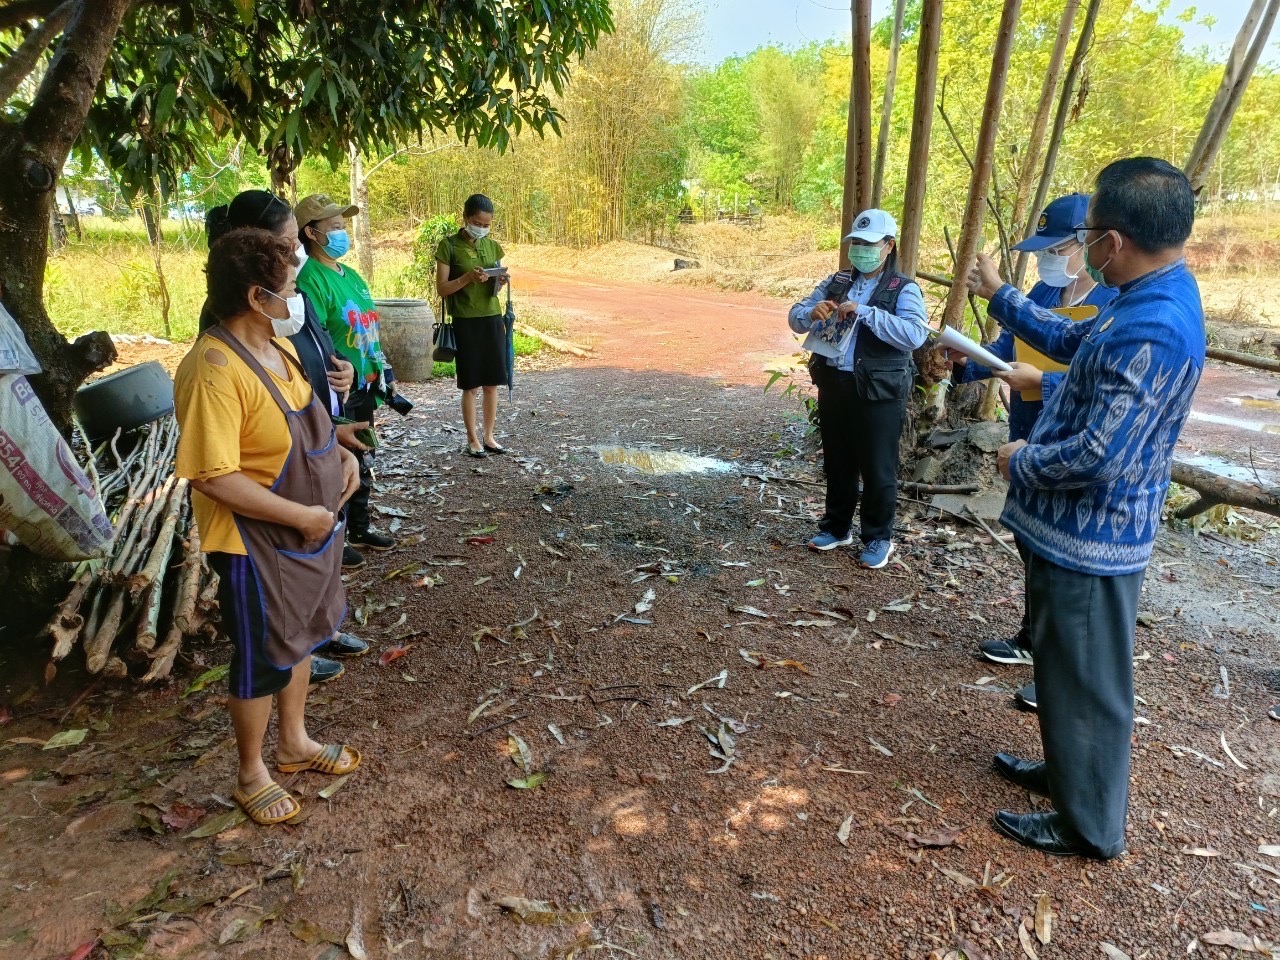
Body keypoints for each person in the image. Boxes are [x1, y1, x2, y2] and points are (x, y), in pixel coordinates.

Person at [967, 157, 1204, 859]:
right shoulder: (1141, 295)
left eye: (1090, 233)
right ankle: (1068, 775)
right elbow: (1076, 347)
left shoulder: (1155, 325)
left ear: (1115, 241)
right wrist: (1004, 297)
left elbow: (1101, 454)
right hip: (1074, 532)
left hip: (1095, 538)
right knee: (1066, 670)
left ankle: (1089, 825)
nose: (1086, 246)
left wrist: (1020, 460)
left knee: (1090, 682)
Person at [174, 228, 364, 825]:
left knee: (301, 635)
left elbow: (305, 425)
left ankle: (295, 742)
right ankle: (251, 772)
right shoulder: (214, 368)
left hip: (306, 534)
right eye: (289, 289)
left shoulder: (277, 349)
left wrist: (343, 454)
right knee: (262, 656)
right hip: (253, 543)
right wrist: (303, 515)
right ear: (258, 297)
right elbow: (212, 475)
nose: (297, 299)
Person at [954, 193, 1118, 711]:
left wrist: (1043, 383)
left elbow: (1107, 385)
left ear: (1090, 242)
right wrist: (964, 364)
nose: (1048, 258)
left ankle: (1061, 674)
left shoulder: (1115, 300)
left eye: (1056, 247)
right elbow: (1007, 348)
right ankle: (1032, 637)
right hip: (1027, 430)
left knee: (1065, 559)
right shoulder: (1045, 290)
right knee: (1031, 541)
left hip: (1069, 441)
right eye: (1043, 249)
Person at [201, 191, 373, 681]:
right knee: (271, 634)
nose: (296, 253)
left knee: (313, 572)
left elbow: (312, 347)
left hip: (309, 455)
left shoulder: (284, 298)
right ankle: (296, 649)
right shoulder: (223, 345)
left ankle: (317, 634)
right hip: (268, 502)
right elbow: (221, 460)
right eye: (289, 242)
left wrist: (336, 402)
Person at [788, 209, 930, 569]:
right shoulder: (836, 281)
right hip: (834, 383)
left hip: (879, 391)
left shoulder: (903, 288)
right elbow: (795, 315)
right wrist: (811, 312)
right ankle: (836, 527)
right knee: (838, 461)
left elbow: (915, 334)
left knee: (878, 467)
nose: (861, 250)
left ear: (888, 246)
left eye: (870, 244)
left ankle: (878, 537)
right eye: (856, 243)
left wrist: (866, 312)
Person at [294, 194, 397, 559]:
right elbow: (315, 338)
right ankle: (335, 536)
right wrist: (342, 370)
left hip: (365, 382)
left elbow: (369, 329)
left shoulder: (350, 276)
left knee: (363, 452)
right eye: (334, 227)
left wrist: (383, 371)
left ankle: (360, 526)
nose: (342, 233)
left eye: (342, 226)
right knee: (336, 459)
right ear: (311, 233)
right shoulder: (310, 279)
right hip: (337, 388)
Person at [435, 194, 511, 458]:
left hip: (492, 318)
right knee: (471, 384)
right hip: (465, 321)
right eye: (478, 223)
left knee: (492, 383)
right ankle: (473, 439)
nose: (482, 228)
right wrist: (467, 277)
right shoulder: (448, 246)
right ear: (466, 218)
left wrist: (499, 281)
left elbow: (494, 290)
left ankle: (489, 436)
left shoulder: (493, 247)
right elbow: (442, 289)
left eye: (487, 224)